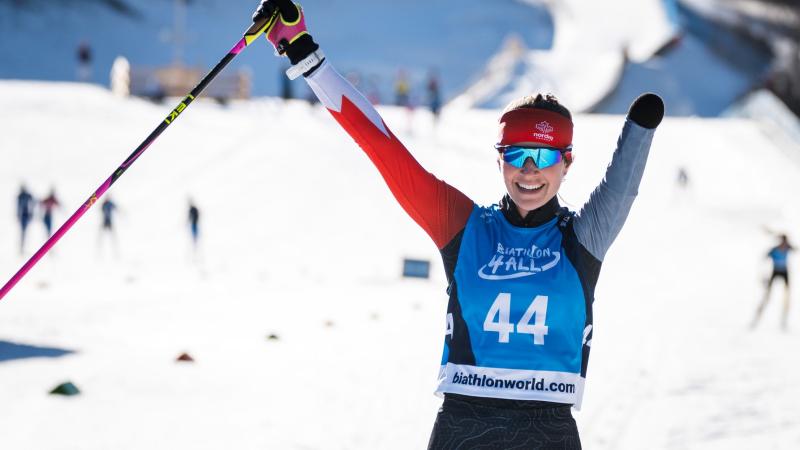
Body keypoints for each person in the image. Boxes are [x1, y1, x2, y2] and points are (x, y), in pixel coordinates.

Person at [252, 1, 663, 448]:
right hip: (464, 424)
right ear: (500, 158)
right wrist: (305, 54)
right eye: (515, 154)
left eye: (544, 157)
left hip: (548, 430)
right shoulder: (465, 228)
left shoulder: (583, 239)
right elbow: (385, 149)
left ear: (567, 163)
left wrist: (640, 130)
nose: (528, 170)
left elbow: (621, 190)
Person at [752, 234, 793, 330]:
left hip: (784, 272)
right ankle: (758, 315)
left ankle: (784, 320)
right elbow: (764, 259)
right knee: (767, 295)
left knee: (787, 296)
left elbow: (795, 248)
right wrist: (763, 276)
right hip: (775, 271)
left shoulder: (788, 247)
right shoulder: (774, 249)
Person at [16, 184, 35, 255]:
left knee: (25, 232)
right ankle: (22, 248)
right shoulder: (21, 196)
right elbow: (18, 207)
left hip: (26, 216)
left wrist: (31, 213)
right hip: (24, 216)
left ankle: (23, 248)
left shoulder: (26, 196)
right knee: (23, 232)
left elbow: (32, 203)